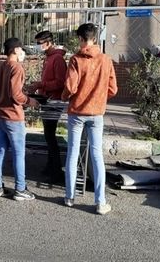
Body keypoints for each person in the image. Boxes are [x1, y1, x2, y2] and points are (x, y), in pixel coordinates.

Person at [61, 23, 117, 215]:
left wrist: (63, 97)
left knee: (73, 153)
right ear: (94, 38)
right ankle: (100, 202)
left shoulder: (76, 59)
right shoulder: (106, 59)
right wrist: (99, 97)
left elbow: (70, 87)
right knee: (96, 155)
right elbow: (113, 89)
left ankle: (69, 197)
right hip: (97, 114)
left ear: (81, 38)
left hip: (77, 113)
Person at [0, 37, 39, 201]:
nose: (23, 52)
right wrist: (31, 101)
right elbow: (16, 95)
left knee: (0, 150)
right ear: (16, 50)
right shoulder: (16, 68)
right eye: (21, 49)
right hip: (13, 117)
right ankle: (20, 189)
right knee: (19, 154)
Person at [26, 30, 67, 184]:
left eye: (39, 43)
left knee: (50, 136)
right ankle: (51, 166)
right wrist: (37, 87)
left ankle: (56, 170)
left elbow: (60, 83)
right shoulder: (49, 58)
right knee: (48, 136)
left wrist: (40, 84)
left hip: (54, 102)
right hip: (47, 100)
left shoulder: (57, 59)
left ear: (48, 43)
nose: (37, 47)